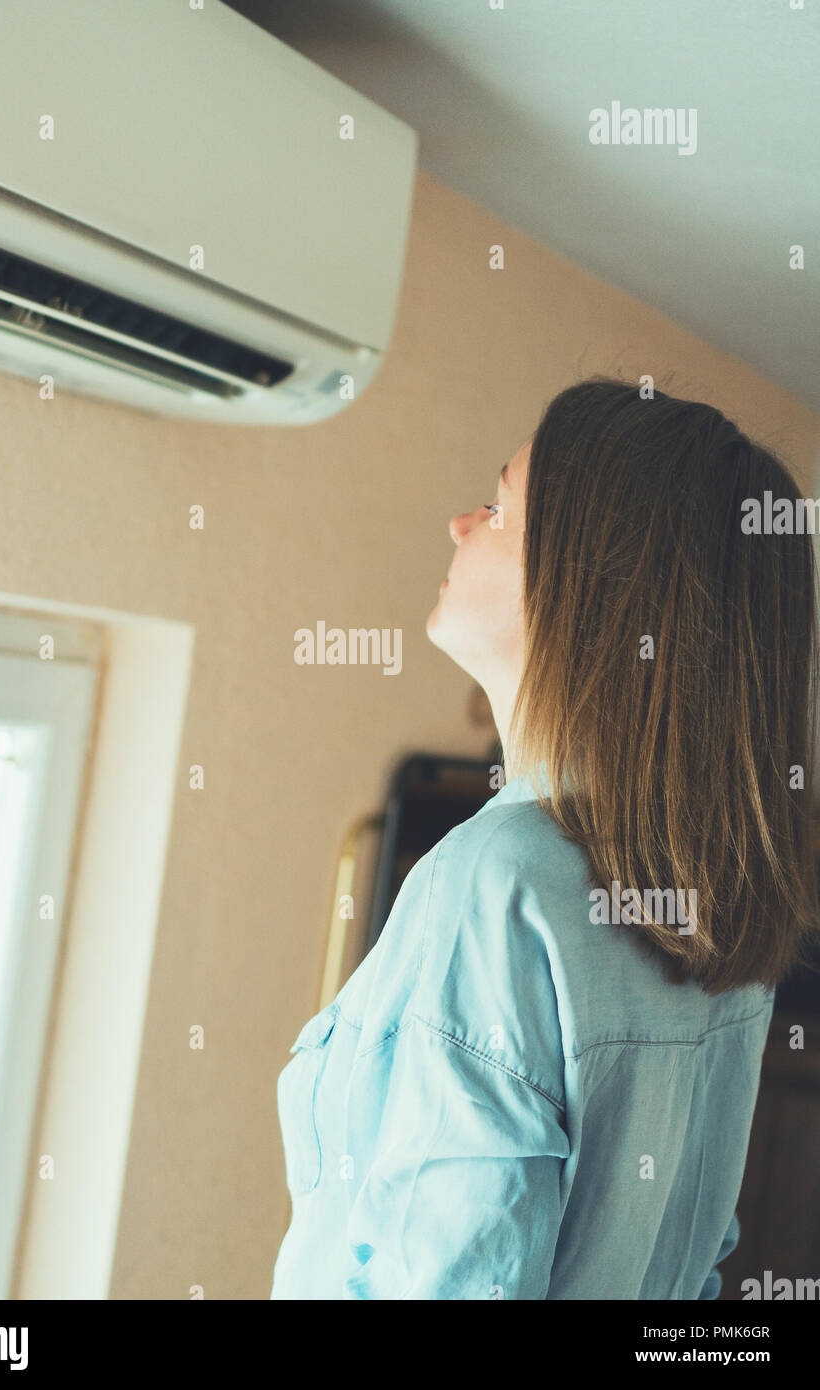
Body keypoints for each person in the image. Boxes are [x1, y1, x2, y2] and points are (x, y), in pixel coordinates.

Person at [270, 377, 820, 1299]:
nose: (458, 523)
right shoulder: (717, 903)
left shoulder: (492, 884)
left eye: (496, 506)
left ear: (589, 575)